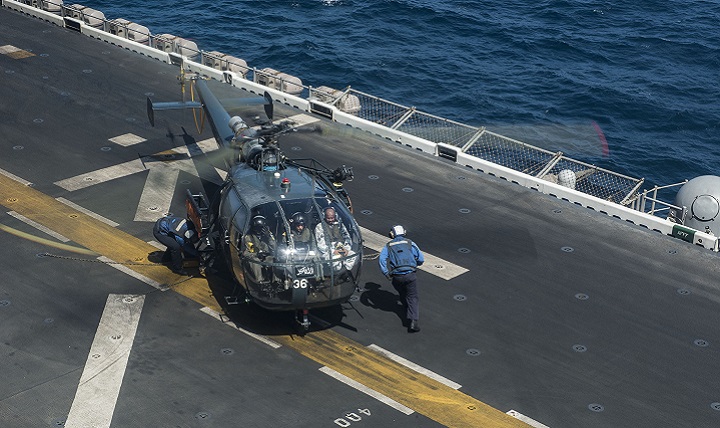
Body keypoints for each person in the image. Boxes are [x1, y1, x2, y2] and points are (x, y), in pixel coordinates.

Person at [379, 225, 424, 332]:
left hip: (397, 277)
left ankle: (405, 306)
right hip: (410, 275)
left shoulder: (388, 246)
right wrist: (414, 264)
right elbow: (421, 259)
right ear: (404, 232)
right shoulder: (410, 243)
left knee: (402, 292)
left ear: (392, 234)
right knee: (412, 296)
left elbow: (381, 260)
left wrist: (386, 273)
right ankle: (413, 321)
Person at [315, 206, 356, 272]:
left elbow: (347, 237)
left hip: (342, 247)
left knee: (352, 254)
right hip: (329, 251)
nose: (331, 220)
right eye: (328, 218)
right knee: (334, 260)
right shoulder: (320, 227)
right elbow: (321, 244)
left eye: (332, 218)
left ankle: (345, 270)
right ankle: (336, 272)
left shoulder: (340, 225)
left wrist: (346, 249)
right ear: (324, 217)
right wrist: (333, 251)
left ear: (335, 216)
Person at [242, 215, 276, 283]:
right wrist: (257, 254)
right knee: (255, 261)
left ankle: (276, 281)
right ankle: (260, 281)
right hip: (254, 257)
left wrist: (269, 237)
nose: (259, 230)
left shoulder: (267, 236)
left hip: (266, 257)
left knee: (272, 260)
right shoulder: (248, 237)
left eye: (261, 228)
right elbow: (246, 253)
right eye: (257, 228)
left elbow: (275, 247)